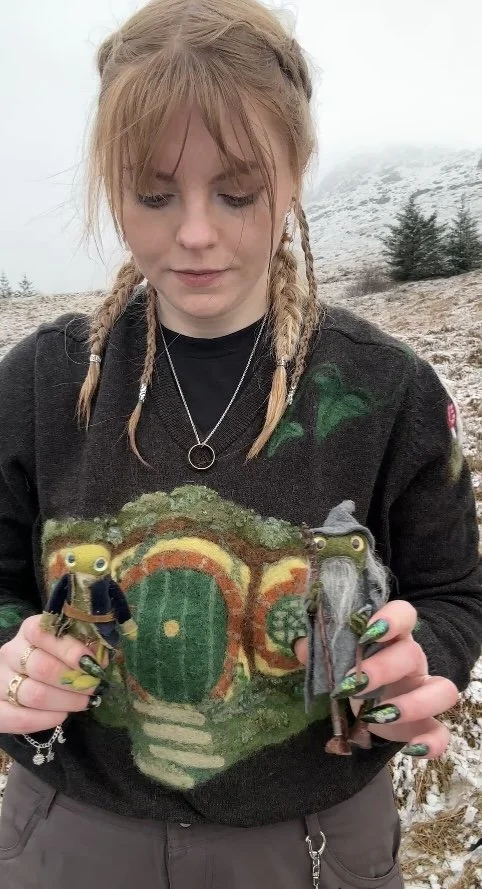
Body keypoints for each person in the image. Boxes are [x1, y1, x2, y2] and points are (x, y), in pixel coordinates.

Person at [0, 0, 480, 886]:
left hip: (316, 840)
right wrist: (12, 660)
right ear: (112, 185)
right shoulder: (34, 385)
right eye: (153, 193)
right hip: (70, 834)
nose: (193, 232)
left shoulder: (388, 392)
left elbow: (455, 590)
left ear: (295, 172)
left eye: (238, 191)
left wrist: (419, 665)